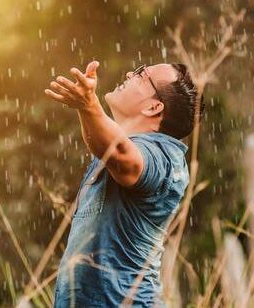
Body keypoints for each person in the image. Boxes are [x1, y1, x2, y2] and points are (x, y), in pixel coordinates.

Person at [43, 60, 202, 307]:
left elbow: (123, 157)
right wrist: (86, 107)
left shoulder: (164, 157)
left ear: (153, 107)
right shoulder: (119, 151)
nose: (130, 72)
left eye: (141, 75)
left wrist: (89, 104)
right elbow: (106, 145)